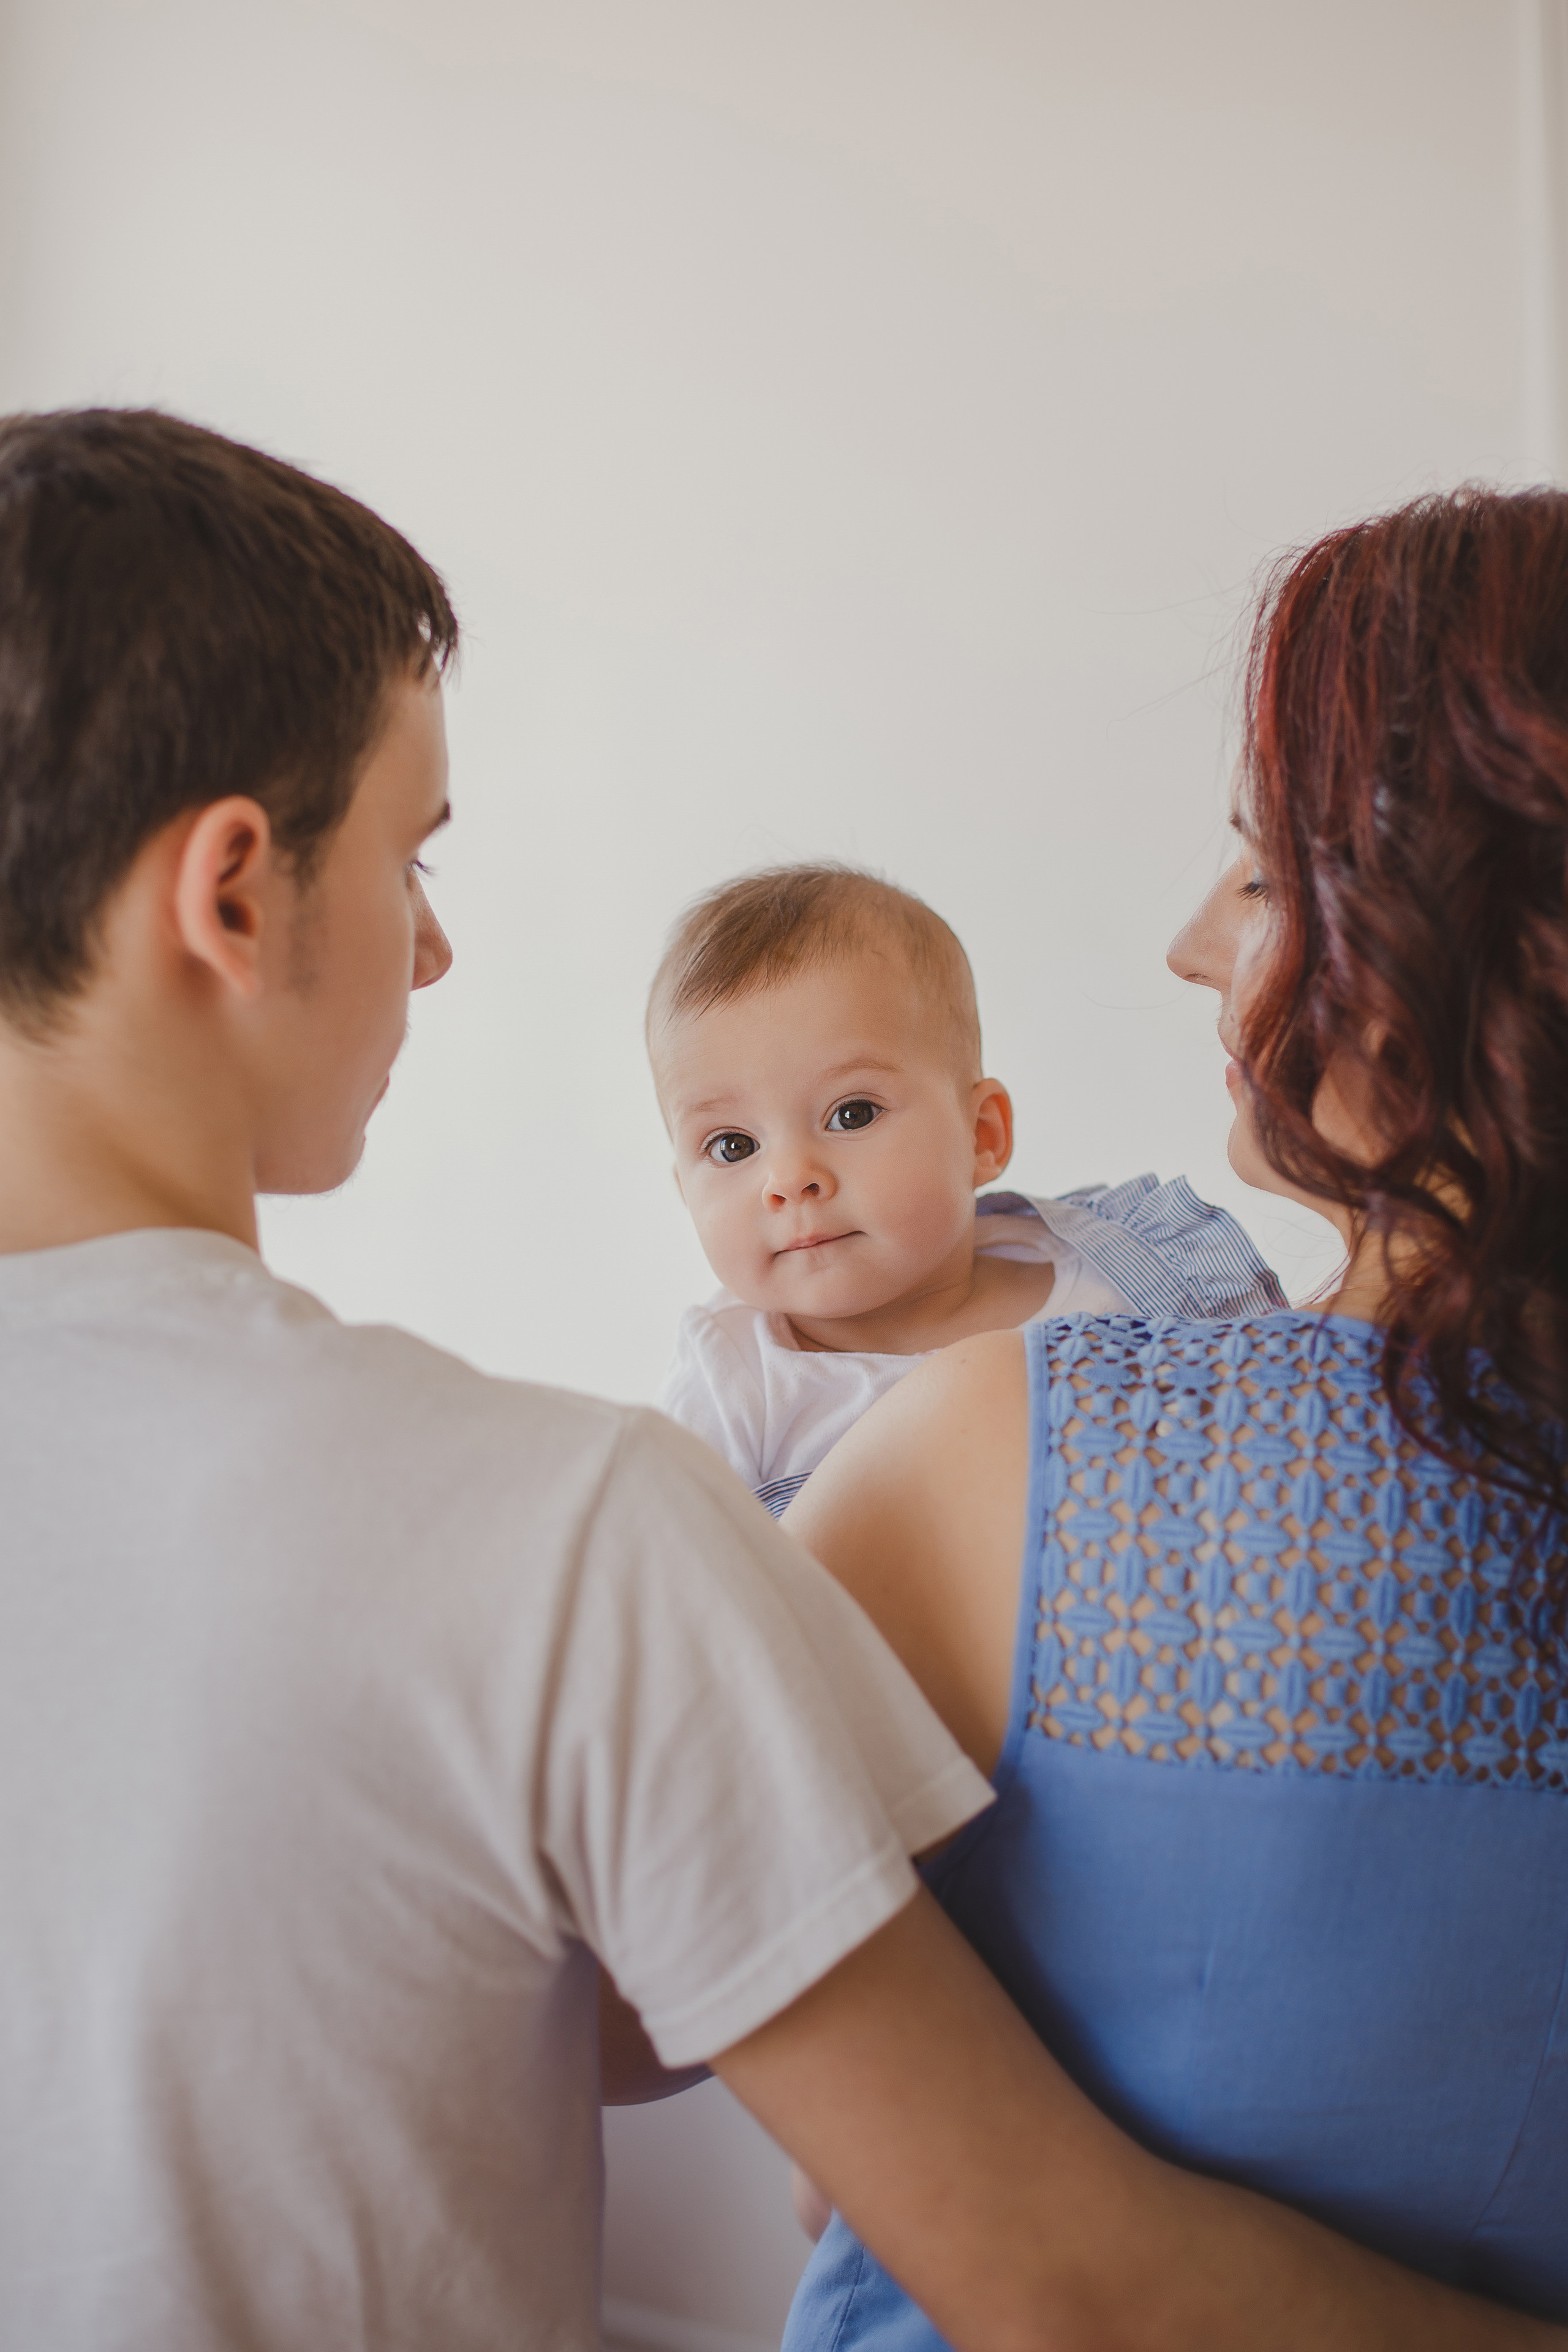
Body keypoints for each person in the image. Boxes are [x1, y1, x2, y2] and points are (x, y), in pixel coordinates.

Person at [0, 407, 1553, 2352]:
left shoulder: (978, 1419)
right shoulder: (560, 1524)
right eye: (413, 854)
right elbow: (1041, 2258)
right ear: (233, 895)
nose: (441, 942)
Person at [778, 483, 1568, 2351]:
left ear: (1474, 926)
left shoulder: (995, 1459)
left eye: (1259, 864)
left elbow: (852, 2179)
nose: (1191, 943)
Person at [650, 861, 1283, 1517]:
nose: (787, 1179)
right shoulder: (733, 1388)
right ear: (684, 1189)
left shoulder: (1131, 1271)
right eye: (732, 1147)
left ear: (982, 1135)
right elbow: (681, 1601)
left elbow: (1298, 1424)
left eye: (852, 1113)